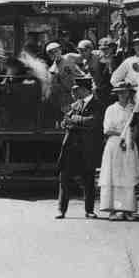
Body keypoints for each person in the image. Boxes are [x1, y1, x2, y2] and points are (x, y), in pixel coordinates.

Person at [55, 76, 104, 219]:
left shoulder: (97, 104)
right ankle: (61, 210)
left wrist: (74, 121)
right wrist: (68, 123)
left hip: (87, 149)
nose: (75, 91)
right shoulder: (76, 105)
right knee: (64, 179)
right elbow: (66, 121)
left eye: (77, 89)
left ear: (84, 89)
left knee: (88, 180)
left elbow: (93, 122)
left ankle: (89, 210)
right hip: (71, 148)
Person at [98, 81, 139, 221]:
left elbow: (137, 129)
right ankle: (114, 209)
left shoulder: (134, 109)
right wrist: (122, 134)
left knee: (127, 177)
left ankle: (128, 210)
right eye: (120, 92)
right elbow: (107, 129)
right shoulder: (111, 109)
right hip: (114, 145)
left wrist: (131, 135)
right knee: (114, 176)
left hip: (129, 144)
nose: (122, 95)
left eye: (125, 92)